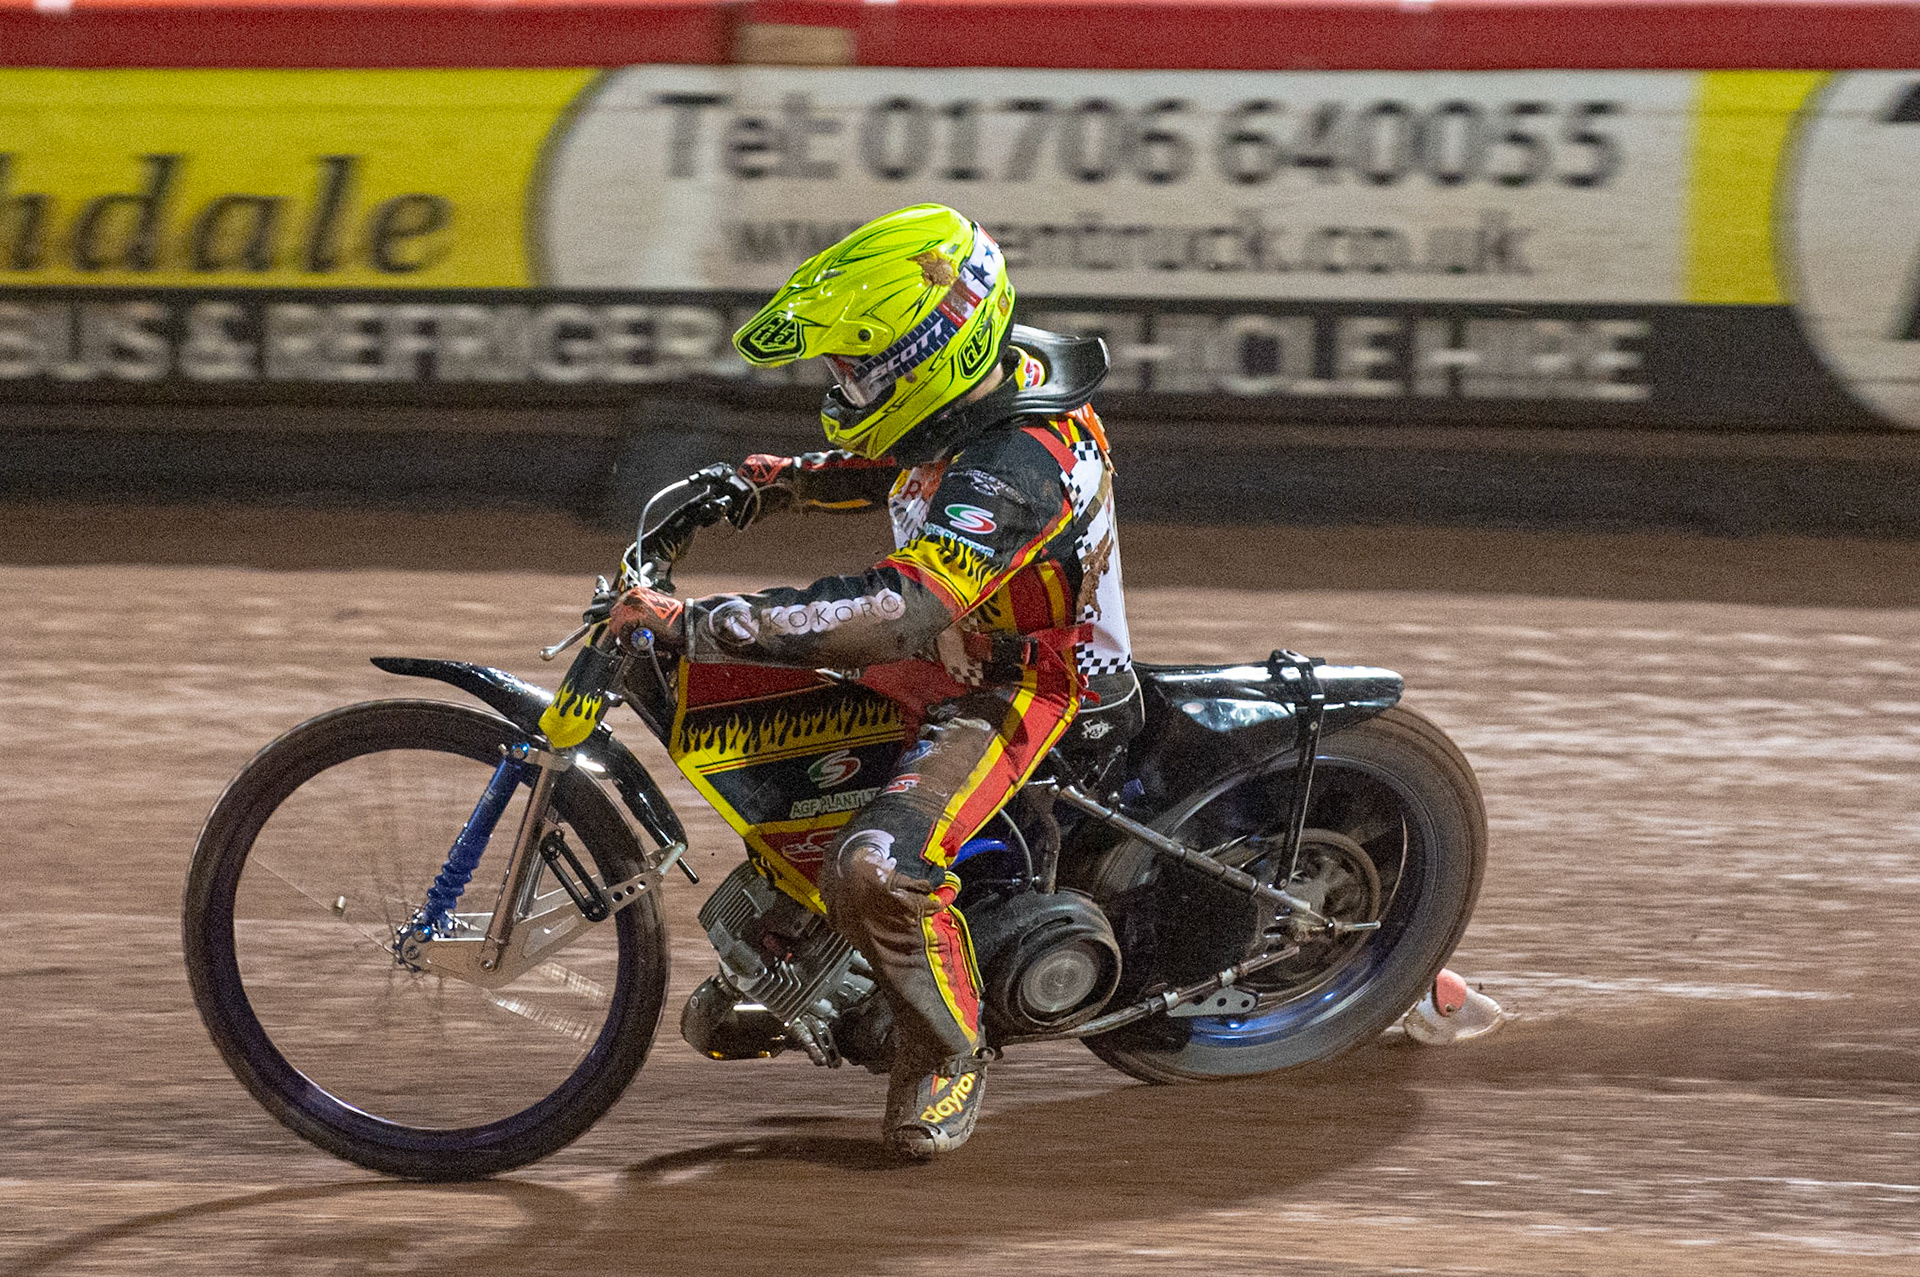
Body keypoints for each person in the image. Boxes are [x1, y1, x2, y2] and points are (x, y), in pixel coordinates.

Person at [605, 205, 1139, 1158]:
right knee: (780, 744)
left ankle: (946, 1049)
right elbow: (893, 465)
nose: (842, 384)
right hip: (945, 657)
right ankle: (820, 954)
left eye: (860, 367)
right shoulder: (973, 397)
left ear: (929, 354)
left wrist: (706, 620)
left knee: (875, 867)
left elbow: (904, 606)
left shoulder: (1022, 461)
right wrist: (766, 482)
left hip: (1023, 685)